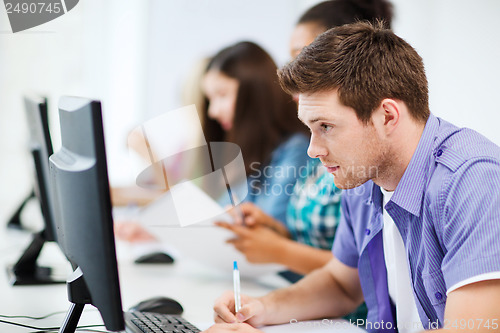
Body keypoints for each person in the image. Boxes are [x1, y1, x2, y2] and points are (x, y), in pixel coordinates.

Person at [203, 22, 500, 333]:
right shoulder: (362, 176)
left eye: (326, 127)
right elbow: (340, 284)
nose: (313, 150)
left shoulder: (474, 182)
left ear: (387, 116)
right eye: (309, 129)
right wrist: (261, 309)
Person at [218, 0, 393, 277]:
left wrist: (279, 250)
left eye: (301, 56)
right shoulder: (320, 145)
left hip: (351, 319)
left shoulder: (367, 158)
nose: (291, 70)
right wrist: (274, 231)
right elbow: (328, 247)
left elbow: (364, 273)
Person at [200, 41, 310, 223]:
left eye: (222, 95)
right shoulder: (252, 150)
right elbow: (220, 213)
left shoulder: (296, 148)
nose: (213, 111)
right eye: (210, 99)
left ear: (254, 93)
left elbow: (264, 226)